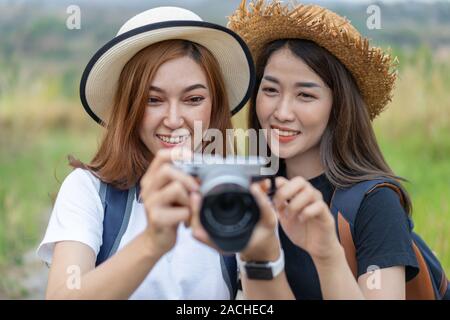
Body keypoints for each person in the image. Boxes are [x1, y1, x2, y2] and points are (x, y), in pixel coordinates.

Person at [37, 6, 255, 299]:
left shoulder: (239, 192)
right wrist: (152, 243)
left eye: (193, 99)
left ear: (214, 105)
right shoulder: (88, 190)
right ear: (129, 107)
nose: (174, 119)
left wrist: (264, 258)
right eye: (153, 100)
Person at [222, 0, 420, 299]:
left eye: (305, 95)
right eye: (271, 90)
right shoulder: (251, 191)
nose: (282, 112)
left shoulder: (374, 203)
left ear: (338, 105)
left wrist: (327, 254)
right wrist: (260, 259)